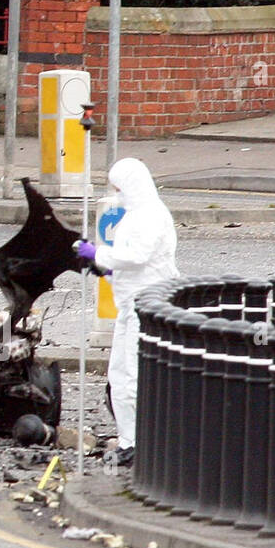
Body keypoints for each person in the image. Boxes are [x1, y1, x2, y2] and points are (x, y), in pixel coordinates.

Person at [76, 157, 179, 467]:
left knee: (135, 376)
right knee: (119, 375)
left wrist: (100, 254)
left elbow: (138, 256)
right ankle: (128, 440)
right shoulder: (134, 215)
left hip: (147, 308)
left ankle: (142, 442)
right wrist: (101, 269)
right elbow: (128, 267)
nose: (118, 195)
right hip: (128, 307)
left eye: (121, 189)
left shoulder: (152, 215)